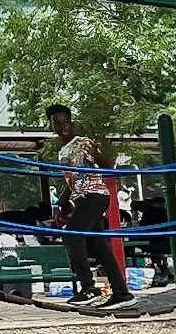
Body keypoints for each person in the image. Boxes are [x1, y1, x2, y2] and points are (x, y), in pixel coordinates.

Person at [45, 103, 131, 306]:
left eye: (66, 122)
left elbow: (107, 164)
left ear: (71, 123)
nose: (62, 127)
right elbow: (72, 181)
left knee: (71, 237)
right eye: (57, 123)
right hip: (82, 198)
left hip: (93, 196)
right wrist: (60, 204)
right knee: (99, 246)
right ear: (52, 126)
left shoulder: (82, 143)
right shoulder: (63, 151)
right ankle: (121, 293)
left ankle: (88, 288)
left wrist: (99, 158)